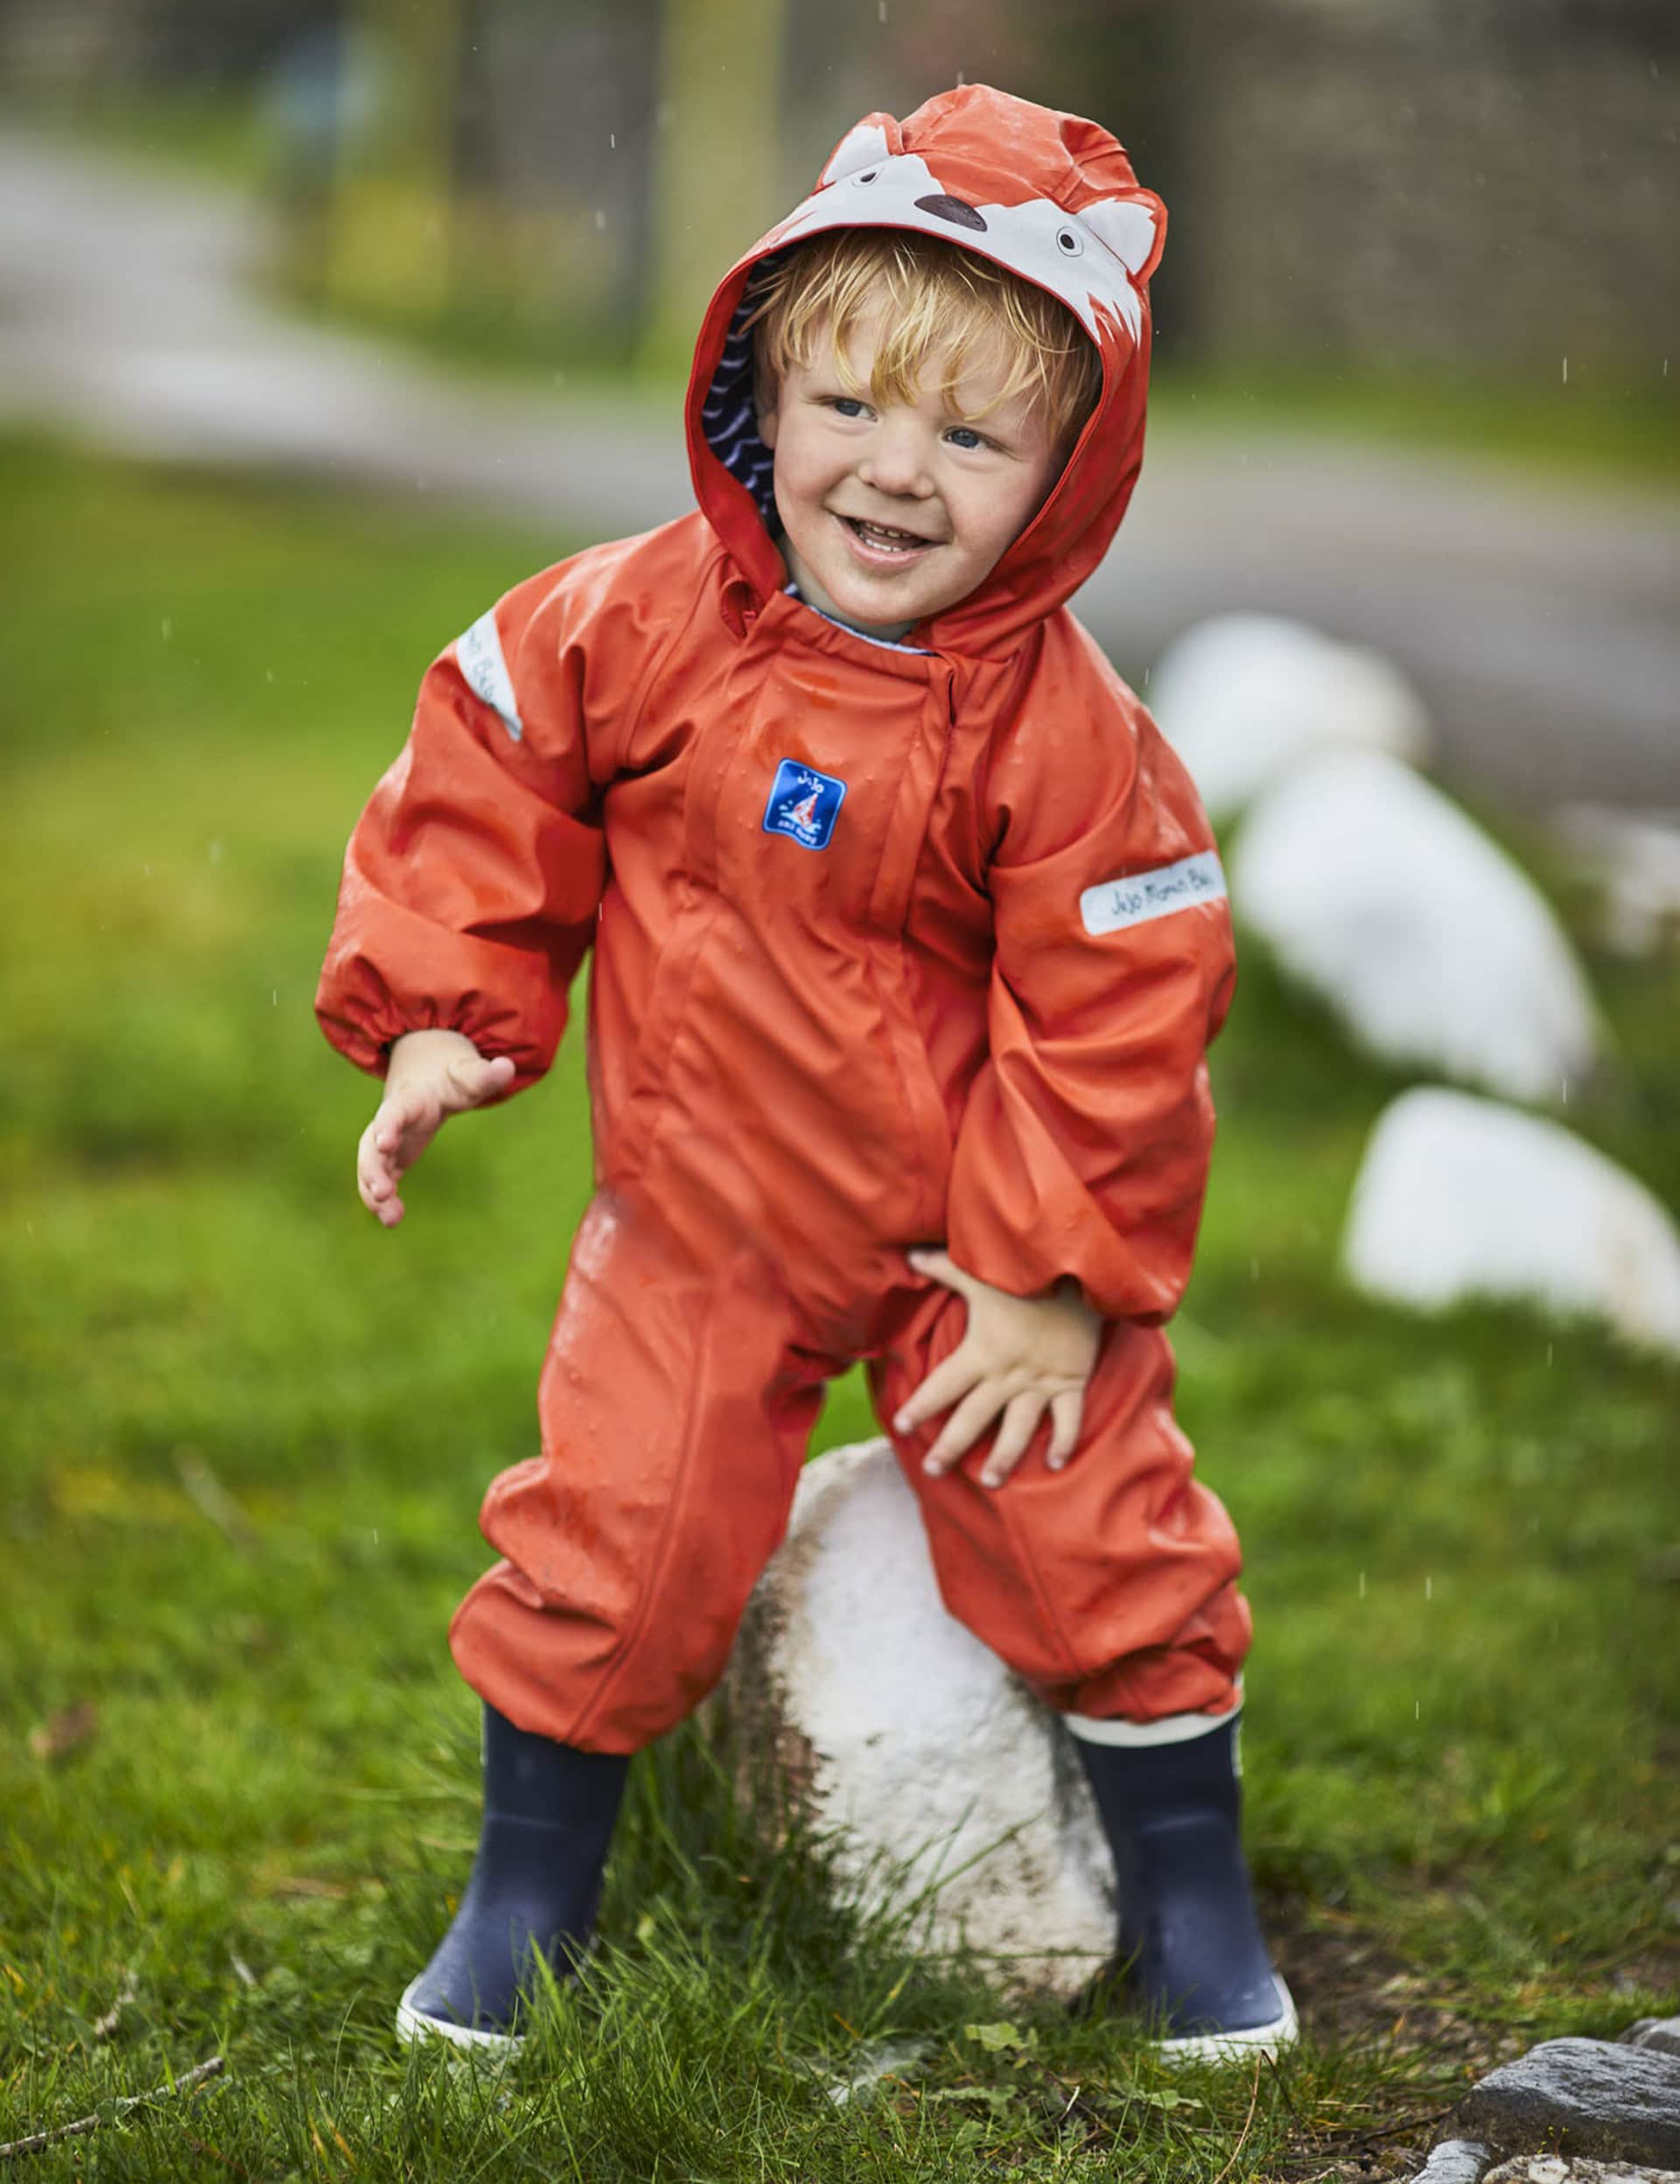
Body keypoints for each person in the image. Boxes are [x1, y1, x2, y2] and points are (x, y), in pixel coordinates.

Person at [315, 82, 1295, 2064]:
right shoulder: (634, 623)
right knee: (616, 1534)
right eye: (851, 405)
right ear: (765, 382)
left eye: (974, 434)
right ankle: (527, 1893)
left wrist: (1049, 1268)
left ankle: (1192, 1891)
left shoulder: (1066, 733)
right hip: (707, 1214)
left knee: (1097, 1518)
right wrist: (445, 1005)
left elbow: (1123, 1005)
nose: (896, 473)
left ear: (1073, 471)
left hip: (976, 1244)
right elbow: (484, 771)